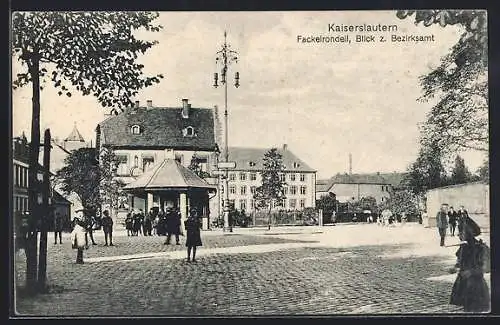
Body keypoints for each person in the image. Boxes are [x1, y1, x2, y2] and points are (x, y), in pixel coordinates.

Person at [449, 215, 490, 312]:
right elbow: (460, 261)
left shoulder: (480, 248)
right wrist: (455, 267)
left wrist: (471, 272)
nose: (459, 234)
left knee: (475, 309)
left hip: (476, 286)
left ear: (469, 233)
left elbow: (486, 268)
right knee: (467, 308)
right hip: (463, 285)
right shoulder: (463, 247)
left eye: (461, 232)